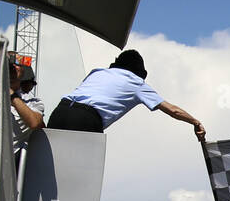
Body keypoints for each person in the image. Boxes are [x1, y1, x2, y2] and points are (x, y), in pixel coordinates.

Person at [48, 50, 206, 141]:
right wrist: (195, 122)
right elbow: (173, 110)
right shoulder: (136, 82)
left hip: (60, 111)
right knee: (80, 172)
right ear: (140, 72)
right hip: (86, 119)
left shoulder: (98, 72)